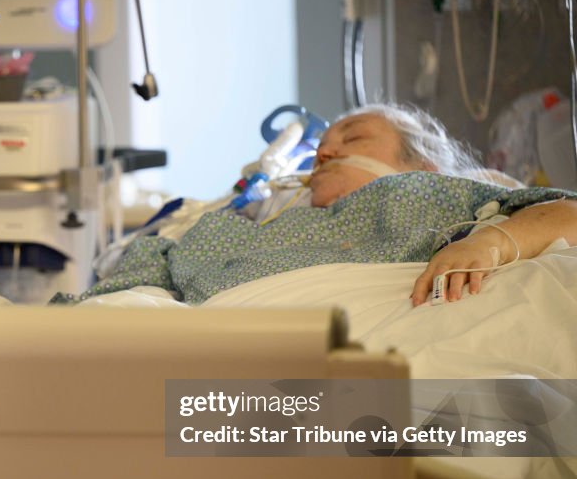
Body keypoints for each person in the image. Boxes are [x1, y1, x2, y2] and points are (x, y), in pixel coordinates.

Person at [63, 103, 577, 306]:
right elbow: (145, 271)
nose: (326, 151)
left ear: (424, 164)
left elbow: (568, 214)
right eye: (322, 145)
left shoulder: (446, 195)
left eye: (352, 138)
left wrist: (491, 241)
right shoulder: (237, 227)